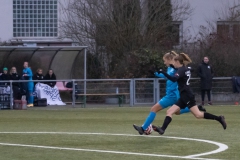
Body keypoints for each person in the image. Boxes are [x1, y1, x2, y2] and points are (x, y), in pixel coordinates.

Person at [133, 51, 206, 135]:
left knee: (154, 109)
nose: (164, 62)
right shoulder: (170, 68)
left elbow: (181, 72)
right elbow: (166, 76)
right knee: (177, 112)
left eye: (165, 60)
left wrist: (188, 68)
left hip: (172, 95)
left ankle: (143, 128)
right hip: (175, 95)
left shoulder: (176, 68)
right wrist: (155, 73)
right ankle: (196, 108)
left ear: (170, 59)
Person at [152, 53, 226, 135]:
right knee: (169, 111)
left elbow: (174, 79)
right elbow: (182, 70)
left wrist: (164, 73)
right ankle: (162, 129)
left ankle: (219, 118)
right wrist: (168, 69)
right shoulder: (185, 69)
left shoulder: (181, 70)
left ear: (177, 62)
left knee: (198, 115)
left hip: (187, 96)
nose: (173, 64)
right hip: (184, 96)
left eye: (174, 62)